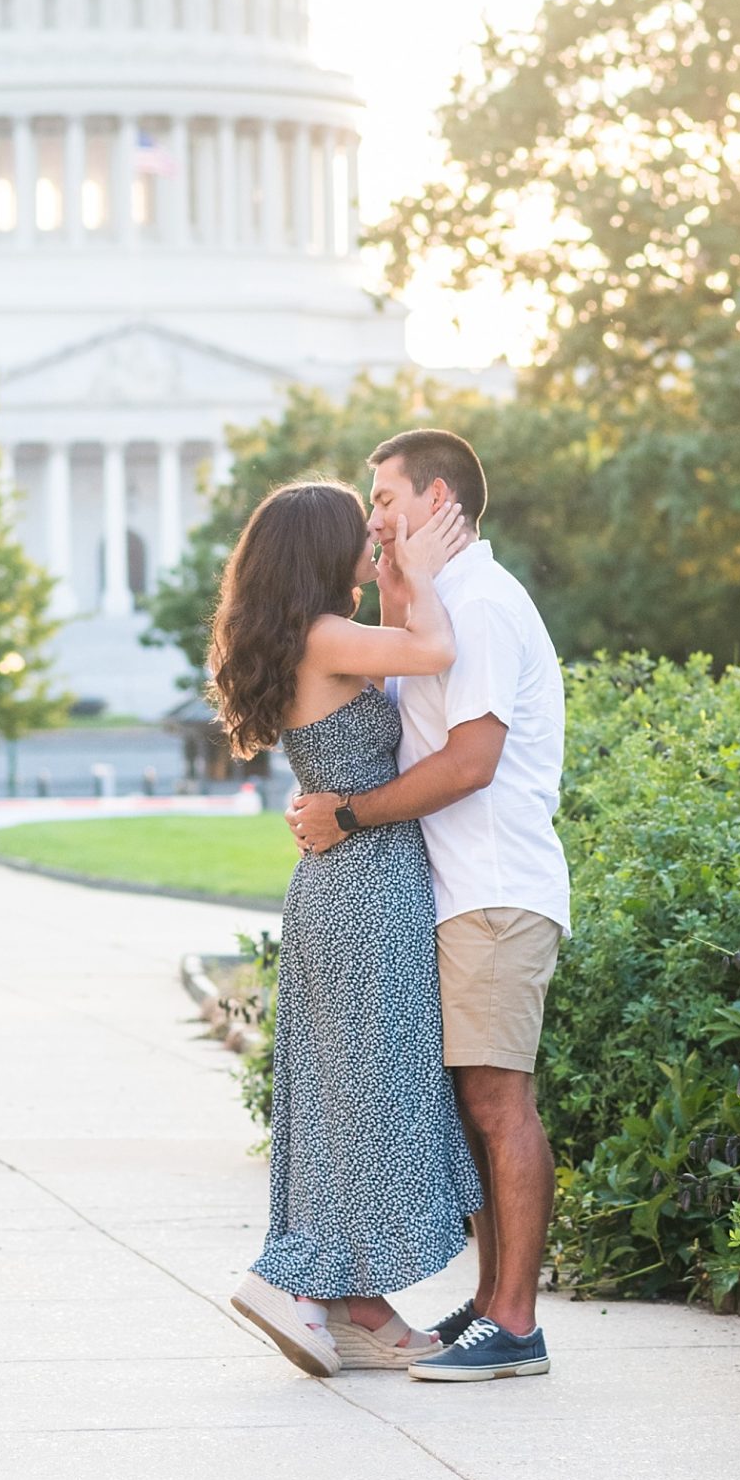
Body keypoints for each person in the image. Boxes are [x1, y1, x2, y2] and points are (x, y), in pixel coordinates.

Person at [288, 429, 568, 1383]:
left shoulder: (482, 606)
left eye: (387, 501)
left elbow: (470, 762)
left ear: (438, 498)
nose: (374, 519)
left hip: (495, 888)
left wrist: (349, 815)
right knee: (473, 1104)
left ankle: (518, 1323)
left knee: (500, 1102)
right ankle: (493, 1308)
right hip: (455, 896)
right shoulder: (447, 604)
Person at [218, 479, 484, 1378]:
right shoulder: (326, 638)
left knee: (348, 1099)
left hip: (342, 883)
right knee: (369, 1098)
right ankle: (293, 1279)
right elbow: (437, 647)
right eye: (360, 540)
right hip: (363, 887)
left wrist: (405, 574)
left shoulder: (310, 639)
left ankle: (359, 1306)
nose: (372, 549)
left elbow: (408, 647)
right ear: (324, 556)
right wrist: (416, 566)